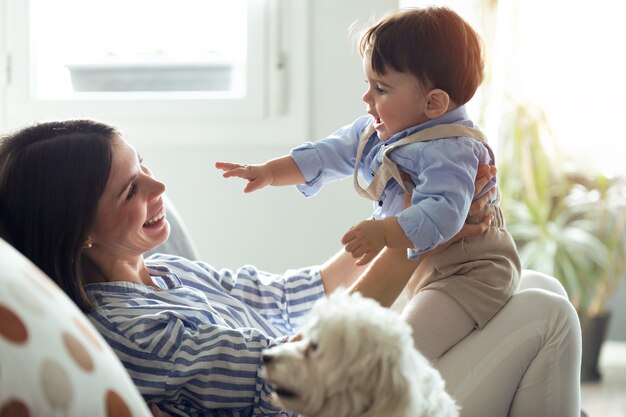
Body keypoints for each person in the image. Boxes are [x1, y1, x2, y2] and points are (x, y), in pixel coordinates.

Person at [0, 119, 580, 416]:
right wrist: (417, 238)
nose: (159, 186)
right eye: (131, 189)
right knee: (545, 315)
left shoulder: (165, 274)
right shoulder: (131, 327)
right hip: (334, 406)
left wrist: (400, 214)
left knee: (530, 287)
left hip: (342, 389)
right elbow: (299, 376)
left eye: (145, 165)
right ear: (77, 232)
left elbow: (298, 291)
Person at [216, 6, 520, 361]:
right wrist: (271, 171)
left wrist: (384, 233)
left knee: (401, 353)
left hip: (469, 276)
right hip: (430, 271)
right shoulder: (385, 130)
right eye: (368, 84)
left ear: (434, 102)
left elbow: (445, 214)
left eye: (381, 88)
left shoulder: (451, 150)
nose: (366, 98)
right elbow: (330, 153)